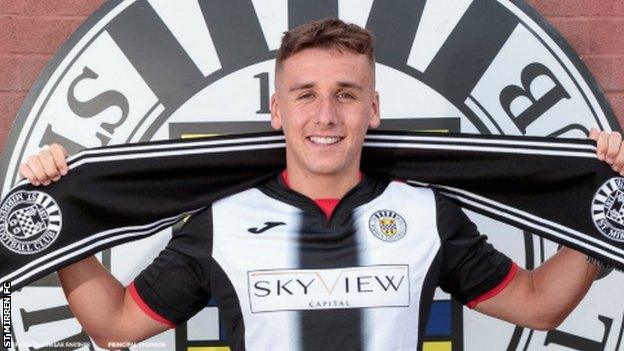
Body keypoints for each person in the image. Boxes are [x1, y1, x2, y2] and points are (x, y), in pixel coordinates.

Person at [17, 18, 624, 351]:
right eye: (305, 95)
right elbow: (114, 324)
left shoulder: (427, 214)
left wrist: (607, 206)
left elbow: (541, 307)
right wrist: (67, 223)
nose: (326, 115)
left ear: (373, 110)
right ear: (277, 111)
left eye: (346, 94)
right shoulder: (222, 220)